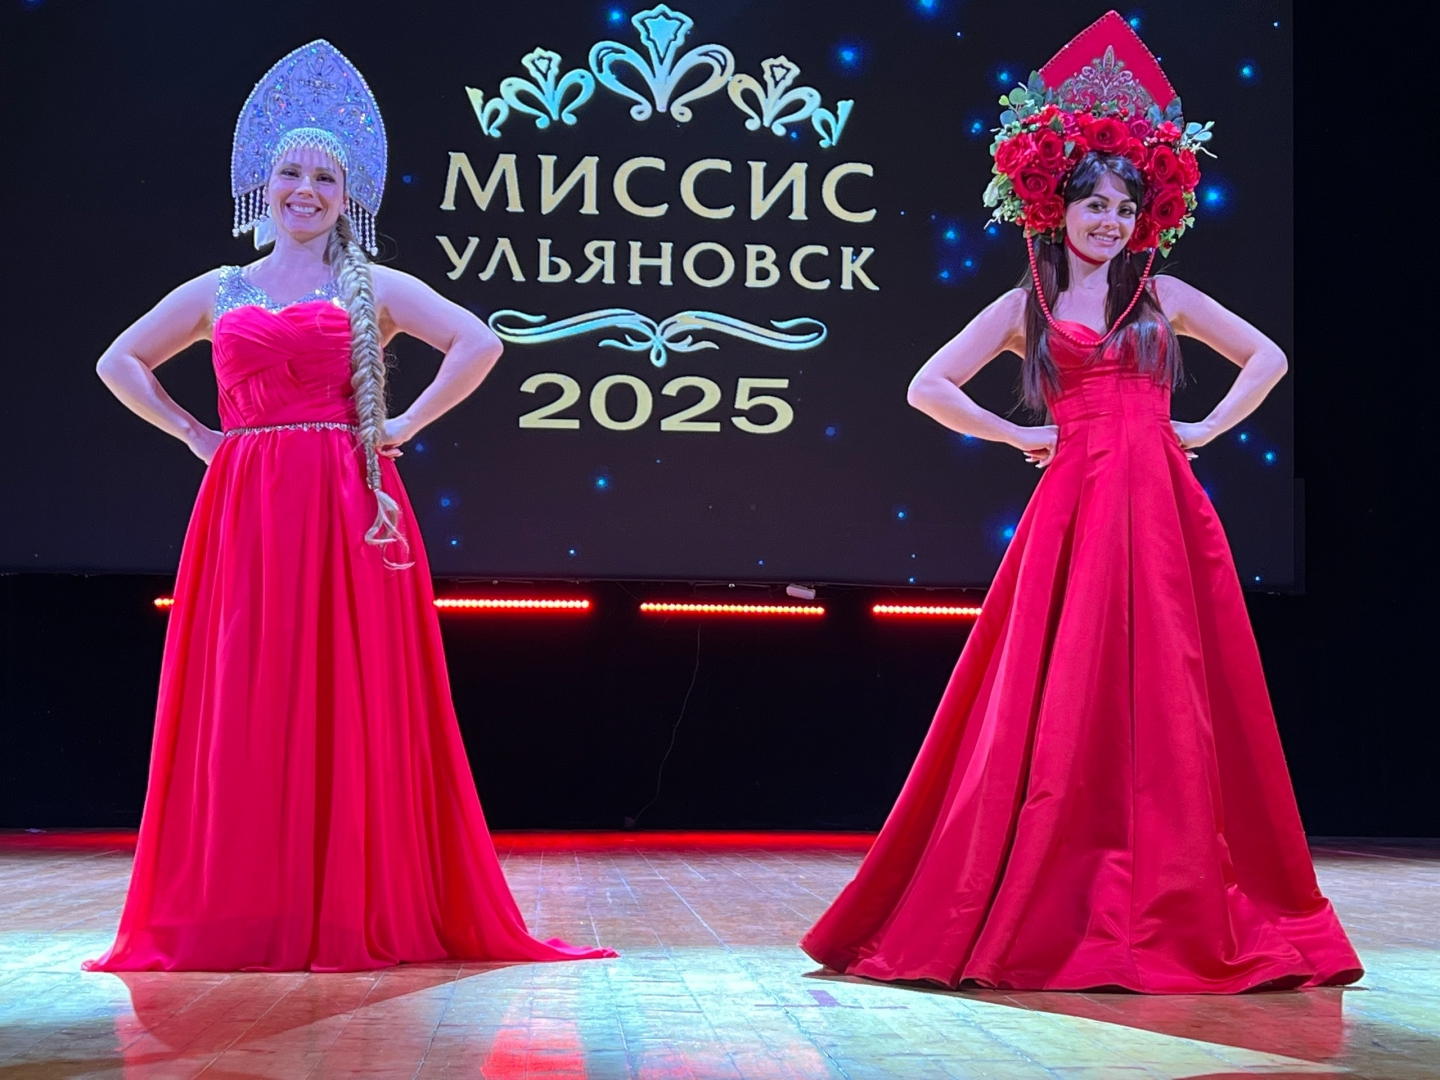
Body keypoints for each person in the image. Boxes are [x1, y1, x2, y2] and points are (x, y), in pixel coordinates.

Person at [800, 12, 1361, 993]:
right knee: (1058, 689)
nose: (1108, 220)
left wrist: (1201, 427)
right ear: (1056, 209)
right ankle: (1053, 888)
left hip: (1164, 505)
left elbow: (1268, 357)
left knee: (1174, 688)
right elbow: (928, 386)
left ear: (1144, 217)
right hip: (1075, 505)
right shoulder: (1026, 308)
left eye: (1123, 207)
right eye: (1092, 204)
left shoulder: (1165, 296)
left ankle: (1170, 890)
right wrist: (1018, 434)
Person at [85, 41, 614, 972]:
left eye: (324, 177)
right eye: (290, 173)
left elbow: (479, 344)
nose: (305, 190)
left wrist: (401, 423)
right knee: (248, 693)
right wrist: (196, 435)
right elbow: (118, 361)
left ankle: (350, 899)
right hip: (246, 507)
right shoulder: (220, 289)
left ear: (349, 194)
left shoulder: (374, 286)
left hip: (347, 503)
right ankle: (248, 903)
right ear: (262, 184)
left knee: (349, 695)